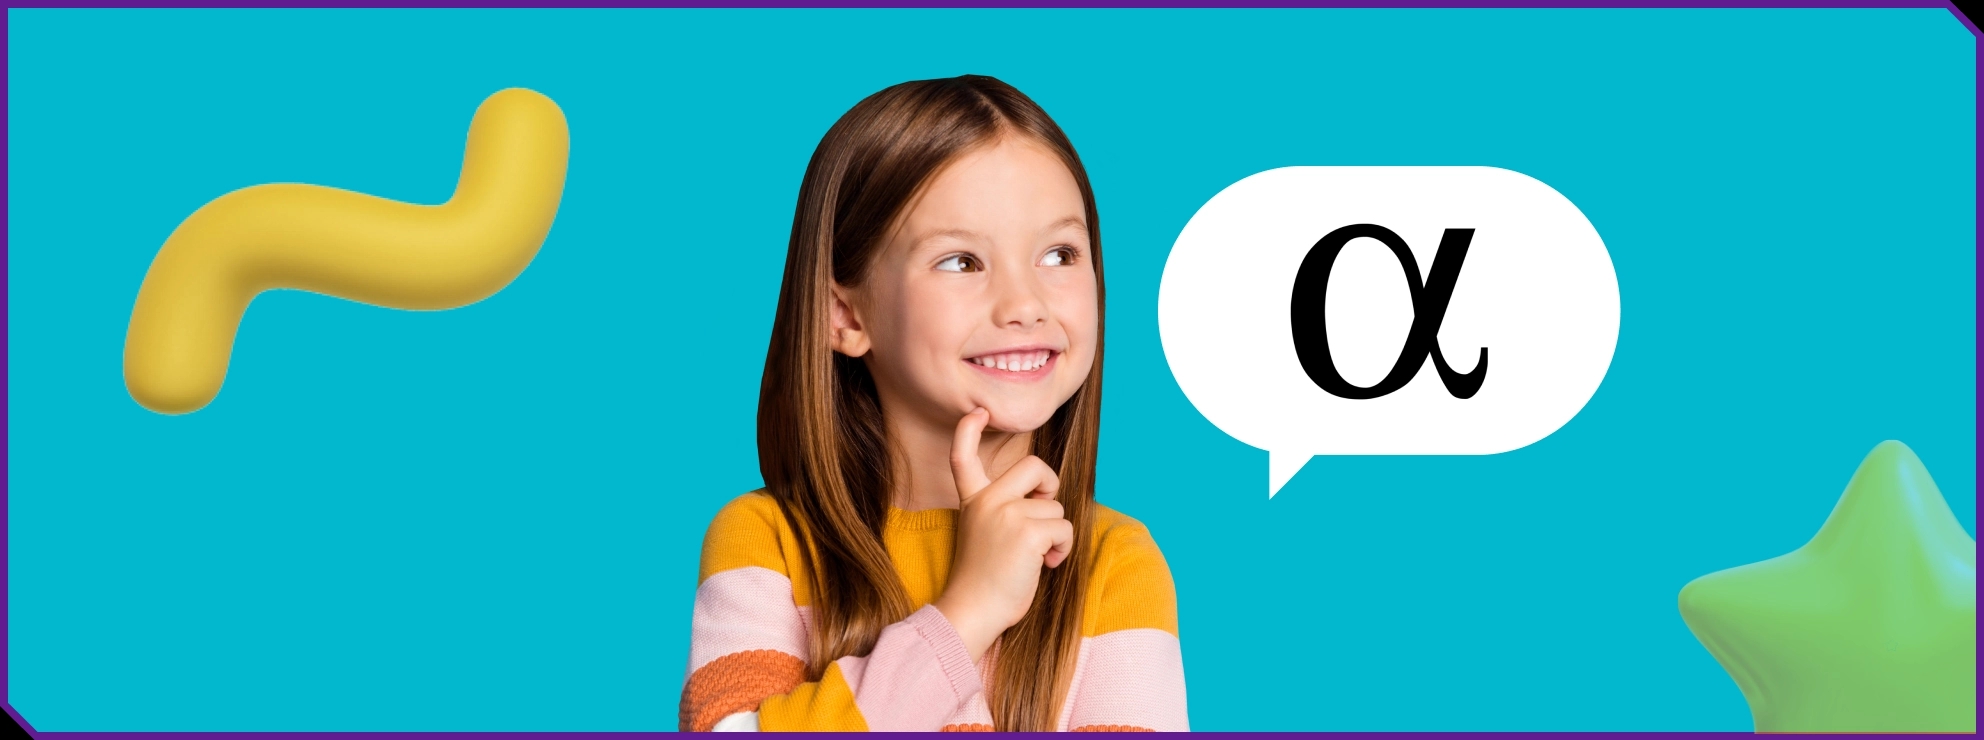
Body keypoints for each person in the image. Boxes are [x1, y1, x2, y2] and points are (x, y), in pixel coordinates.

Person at [678, 74, 1186, 732]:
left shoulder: (1114, 564)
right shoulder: (765, 543)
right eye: (960, 262)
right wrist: (965, 614)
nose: (1025, 305)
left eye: (1059, 253)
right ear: (845, 314)